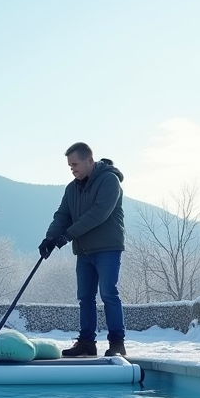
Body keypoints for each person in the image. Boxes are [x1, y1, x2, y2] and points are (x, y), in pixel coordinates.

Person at [38, 142, 127, 357]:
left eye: (75, 164)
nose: (72, 169)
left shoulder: (109, 181)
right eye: (69, 166)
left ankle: (117, 343)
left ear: (90, 160)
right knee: (85, 297)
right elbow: (62, 215)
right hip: (84, 251)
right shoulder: (72, 188)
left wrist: (66, 236)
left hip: (107, 248)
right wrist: (50, 238)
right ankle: (87, 343)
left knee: (108, 293)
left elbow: (99, 214)